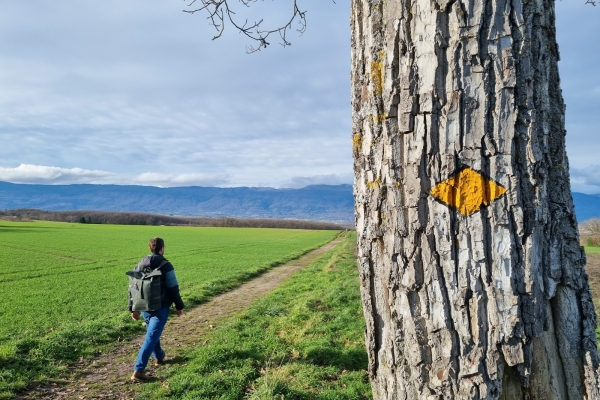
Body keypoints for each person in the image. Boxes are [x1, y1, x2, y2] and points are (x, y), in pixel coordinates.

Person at [129, 237, 185, 381]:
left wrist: (132, 308)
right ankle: (139, 370)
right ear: (162, 249)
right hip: (160, 308)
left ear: (150, 248)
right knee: (151, 336)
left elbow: (133, 287)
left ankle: (159, 356)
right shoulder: (166, 265)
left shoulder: (139, 264)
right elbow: (173, 287)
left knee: (152, 334)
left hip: (143, 307)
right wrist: (179, 306)